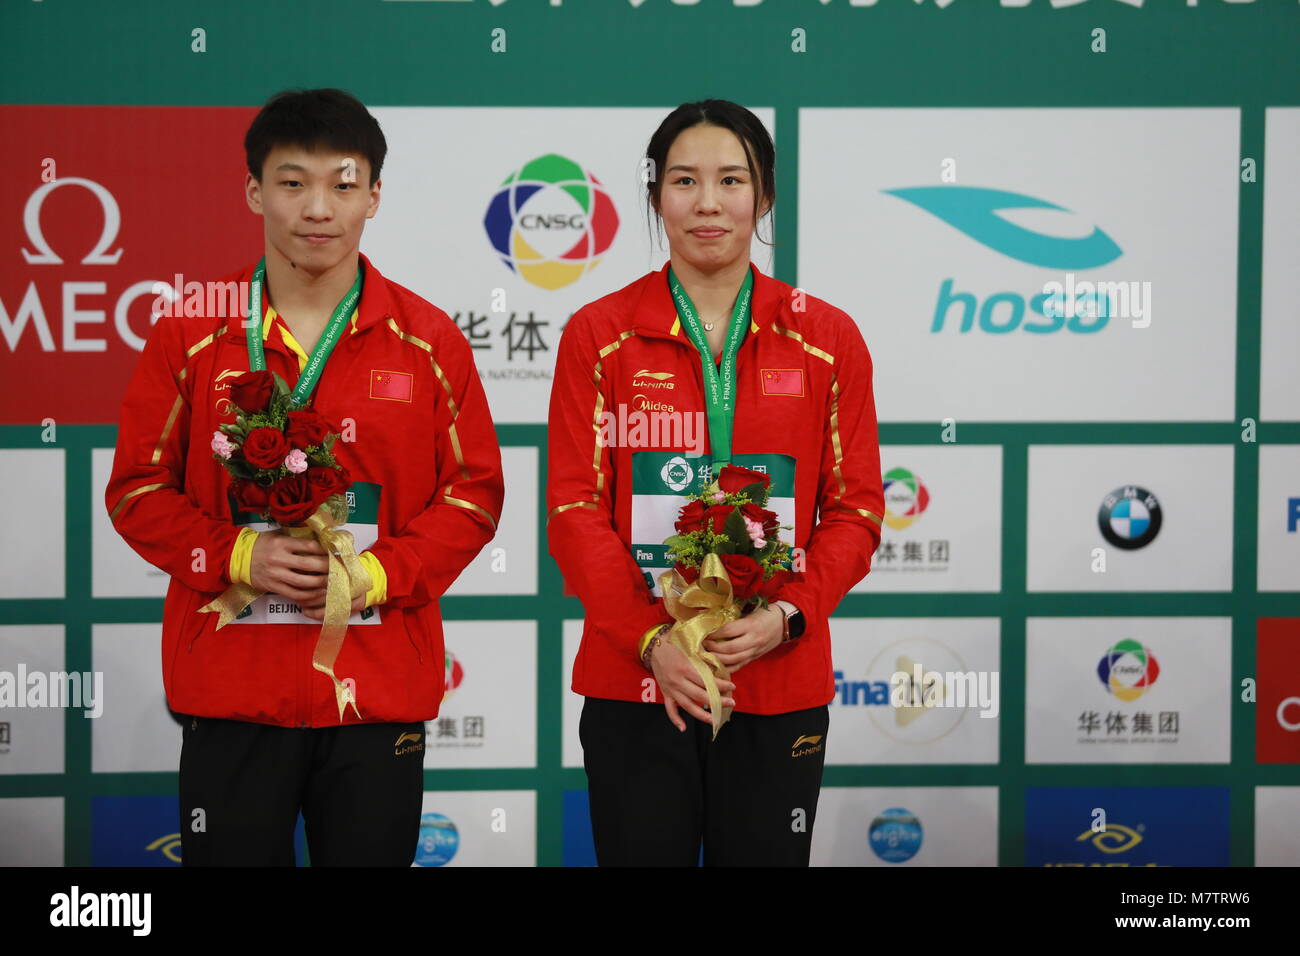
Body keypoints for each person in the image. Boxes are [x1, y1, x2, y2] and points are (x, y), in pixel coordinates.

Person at [105, 88, 504, 866]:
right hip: (230, 690)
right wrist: (238, 556)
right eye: (293, 183)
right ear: (255, 191)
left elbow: (473, 494)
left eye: (343, 184)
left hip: (376, 695)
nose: (318, 208)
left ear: (374, 196)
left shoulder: (427, 342)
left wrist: (382, 573)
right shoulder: (193, 333)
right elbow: (135, 490)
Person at [547, 99, 885, 866]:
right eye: (684, 181)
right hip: (637, 681)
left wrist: (786, 618)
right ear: (655, 194)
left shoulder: (826, 339)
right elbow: (572, 509)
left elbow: (858, 510)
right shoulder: (599, 336)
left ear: (763, 197)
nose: (707, 202)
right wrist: (651, 638)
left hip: (775, 681)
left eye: (731, 180)